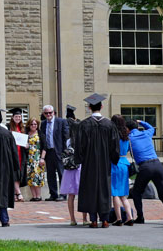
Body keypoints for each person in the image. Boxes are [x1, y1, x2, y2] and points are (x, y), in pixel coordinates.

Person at [74, 93, 119, 228]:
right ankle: (104, 220)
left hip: (89, 164)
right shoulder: (109, 125)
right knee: (104, 188)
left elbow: (79, 146)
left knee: (90, 189)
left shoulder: (84, 124)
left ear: (89, 107)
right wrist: (113, 159)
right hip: (105, 164)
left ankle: (93, 220)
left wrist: (79, 160)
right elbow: (115, 147)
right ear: (102, 106)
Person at [128, 117, 163, 225]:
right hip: (157, 164)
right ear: (137, 126)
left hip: (144, 167)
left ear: (127, 129)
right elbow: (151, 127)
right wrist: (141, 122)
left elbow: (124, 149)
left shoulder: (129, 139)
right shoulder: (146, 133)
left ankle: (140, 217)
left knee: (137, 192)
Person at [39, 104, 69, 201]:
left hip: (59, 151)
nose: (48, 114)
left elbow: (66, 137)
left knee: (61, 173)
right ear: (44, 114)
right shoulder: (43, 124)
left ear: (54, 113)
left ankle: (63, 194)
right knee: (50, 174)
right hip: (48, 151)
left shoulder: (61, 122)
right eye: (46, 113)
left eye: (50, 113)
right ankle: (53, 194)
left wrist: (65, 151)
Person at [110, 114, 135, 226]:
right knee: (123, 195)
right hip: (125, 163)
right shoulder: (126, 136)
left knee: (114, 193)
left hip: (115, 164)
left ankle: (118, 218)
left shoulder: (113, 135)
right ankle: (129, 217)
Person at [62, 105, 84, 225]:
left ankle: (72, 219)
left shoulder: (68, 140)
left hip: (70, 168)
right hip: (79, 167)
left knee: (71, 195)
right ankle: (85, 218)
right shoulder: (82, 139)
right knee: (83, 194)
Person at [7, 109, 28, 202]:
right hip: (12, 153)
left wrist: (27, 145)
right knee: (14, 172)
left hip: (21, 153)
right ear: (12, 117)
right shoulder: (8, 127)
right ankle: (18, 193)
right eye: (16, 116)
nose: (18, 118)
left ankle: (15, 193)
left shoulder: (23, 128)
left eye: (19, 117)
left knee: (19, 173)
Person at [25, 118, 46, 201]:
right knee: (30, 177)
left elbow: (44, 147)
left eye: (35, 124)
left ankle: (38, 196)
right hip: (29, 158)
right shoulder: (26, 134)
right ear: (29, 125)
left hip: (37, 158)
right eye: (32, 124)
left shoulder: (40, 134)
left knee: (37, 177)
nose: (33, 126)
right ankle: (33, 196)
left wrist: (42, 158)